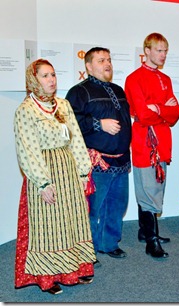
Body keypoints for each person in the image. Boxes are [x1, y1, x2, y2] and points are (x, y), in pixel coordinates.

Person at [13, 59, 96, 295]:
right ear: (33, 80)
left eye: (53, 75)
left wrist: (82, 171)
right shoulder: (26, 110)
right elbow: (27, 149)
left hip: (67, 168)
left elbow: (76, 138)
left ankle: (74, 270)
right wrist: (43, 183)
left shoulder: (63, 105)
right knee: (49, 226)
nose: (51, 80)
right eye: (45, 76)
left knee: (71, 221)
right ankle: (48, 278)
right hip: (46, 170)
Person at [66, 47, 132, 260]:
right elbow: (69, 122)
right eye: (102, 60)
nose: (108, 64)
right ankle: (87, 253)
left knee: (117, 205)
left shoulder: (118, 90)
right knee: (92, 209)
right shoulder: (79, 92)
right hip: (96, 162)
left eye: (109, 59)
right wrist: (99, 124)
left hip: (121, 160)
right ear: (88, 66)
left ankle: (108, 243)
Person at [125, 33, 179, 258]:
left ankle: (143, 230)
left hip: (163, 140)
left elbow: (176, 113)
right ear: (146, 50)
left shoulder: (165, 79)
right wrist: (161, 109)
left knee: (156, 186)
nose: (163, 55)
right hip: (143, 139)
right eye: (159, 50)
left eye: (165, 51)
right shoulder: (133, 78)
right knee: (147, 188)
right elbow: (142, 114)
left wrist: (156, 108)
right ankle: (151, 240)